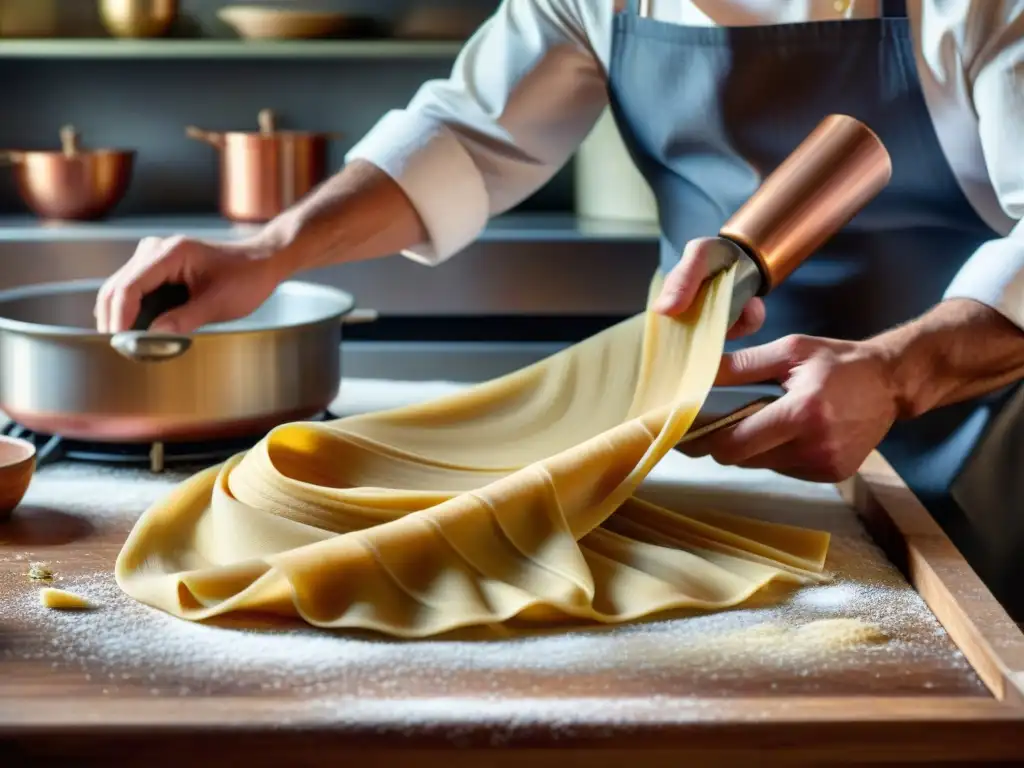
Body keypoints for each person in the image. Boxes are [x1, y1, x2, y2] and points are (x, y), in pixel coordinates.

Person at [94, 1, 1024, 615]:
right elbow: (465, 135)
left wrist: (896, 375)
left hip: (963, 445)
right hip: (713, 439)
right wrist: (270, 251)